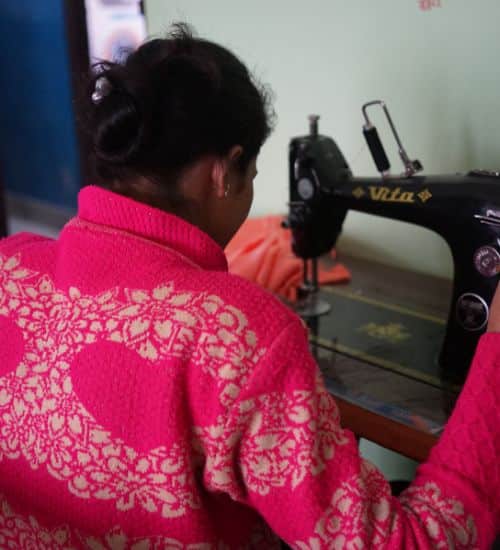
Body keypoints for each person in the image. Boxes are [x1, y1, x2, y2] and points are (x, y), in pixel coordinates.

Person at [0, 23, 498, 549]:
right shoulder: (235, 332)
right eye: (253, 173)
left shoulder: (10, 267)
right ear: (224, 173)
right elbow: (409, 543)